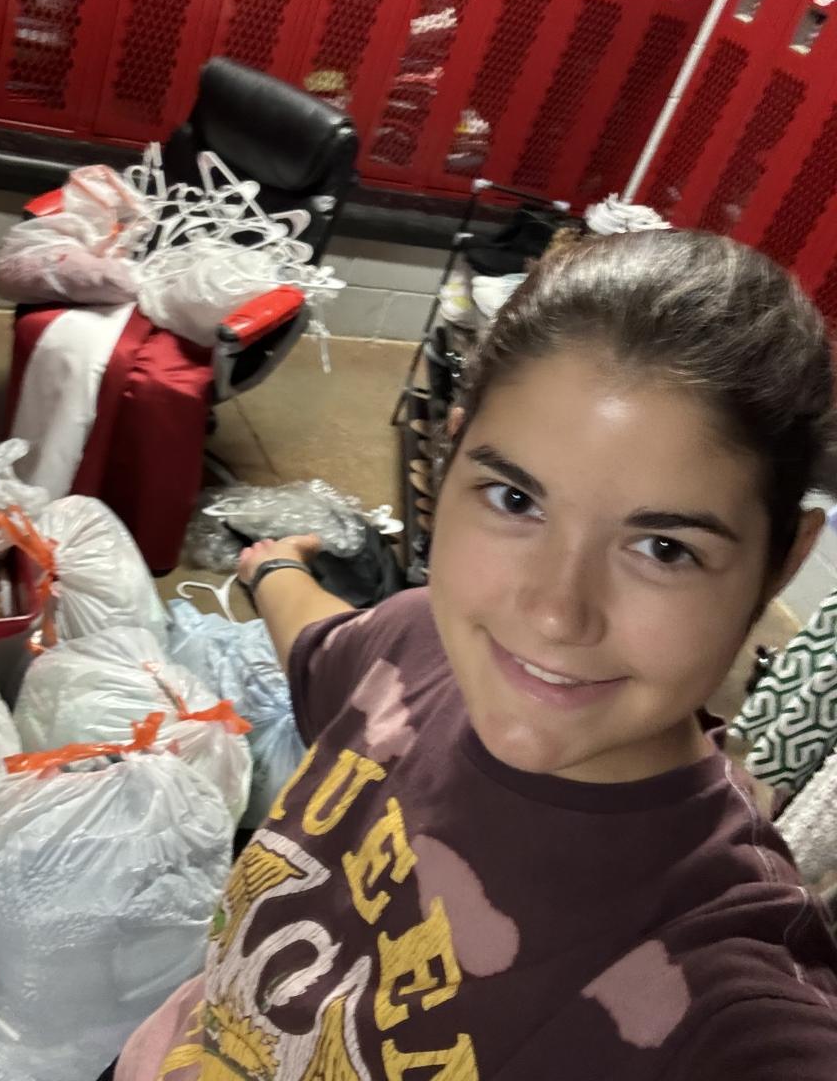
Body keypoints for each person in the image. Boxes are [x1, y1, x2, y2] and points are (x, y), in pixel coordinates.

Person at [110, 229, 837, 1080]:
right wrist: (272, 568)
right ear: (450, 459)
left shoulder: (719, 974)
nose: (555, 615)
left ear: (782, 561)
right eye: (515, 499)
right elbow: (318, 639)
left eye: (665, 549)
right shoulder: (411, 648)